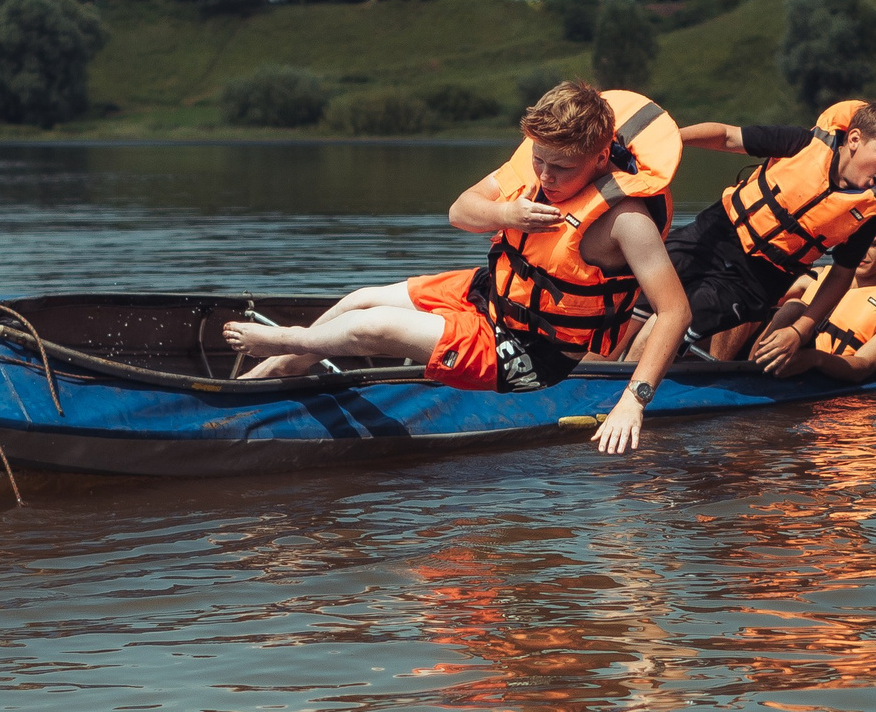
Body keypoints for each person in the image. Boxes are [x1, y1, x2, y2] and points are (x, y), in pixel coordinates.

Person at [224, 81, 693, 455]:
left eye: (561, 169)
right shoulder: (542, 163)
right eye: (539, 161)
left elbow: (674, 313)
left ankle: (289, 340)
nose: (546, 177)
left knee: (374, 325)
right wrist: (507, 214)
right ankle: (269, 374)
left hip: (535, 350)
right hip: (491, 295)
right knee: (358, 299)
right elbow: (460, 211)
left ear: (598, 157)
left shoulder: (627, 220)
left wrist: (633, 402)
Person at [624, 98, 876, 374]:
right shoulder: (802, 143)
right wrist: (668, 139)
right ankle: (587, 383)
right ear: (854, 139)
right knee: (626, 306)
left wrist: (800, 331)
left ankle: (618, 400)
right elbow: (727, 136)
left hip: (758, 279)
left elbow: (840, 275)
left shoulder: (868, 211)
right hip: (717, 231)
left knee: (667, 325)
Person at [756, 205, 876, 382]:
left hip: (820, 373)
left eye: (874, 244)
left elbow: (864, 364)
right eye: (857, 243)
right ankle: (736, 365)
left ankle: (747, 373)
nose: (861, 252)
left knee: (793, 308)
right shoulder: (815, 278)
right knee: (754, 299)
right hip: (766, 357)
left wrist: (814, 359)